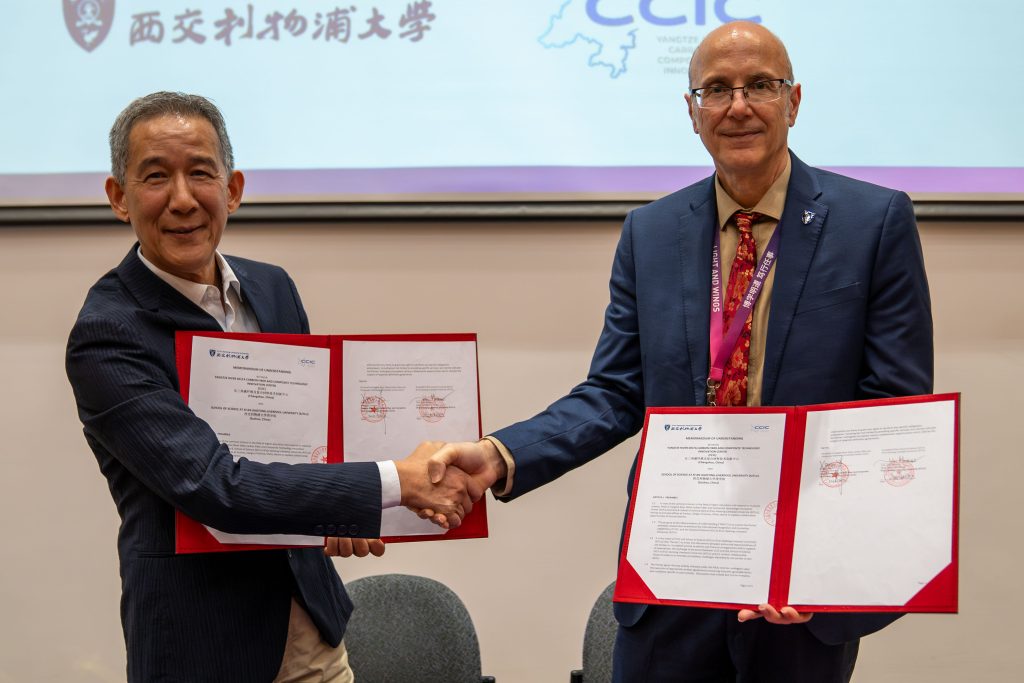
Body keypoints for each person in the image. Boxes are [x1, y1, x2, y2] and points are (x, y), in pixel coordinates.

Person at [421, 21, 933, 682]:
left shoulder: (874, 222)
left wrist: (822, 556)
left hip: (797, 584)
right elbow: (614, 390)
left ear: (794, 101)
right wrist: (499, 453)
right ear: (692, 112)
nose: (738, 105)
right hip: (674, 571)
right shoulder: (650, 231)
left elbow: (891, 405)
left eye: (759, 86)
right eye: (716, 89)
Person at [65, 92, 481, 683]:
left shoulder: (273, 288)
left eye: (200, 173)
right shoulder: (108, 333)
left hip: (309, 624)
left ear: (232, 189)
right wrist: (392, 482)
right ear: (118, 198)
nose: (182, 199)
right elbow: (216, 487)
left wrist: (344, 509)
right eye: (156, 177)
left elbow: (307, 445)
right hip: (202, 646)